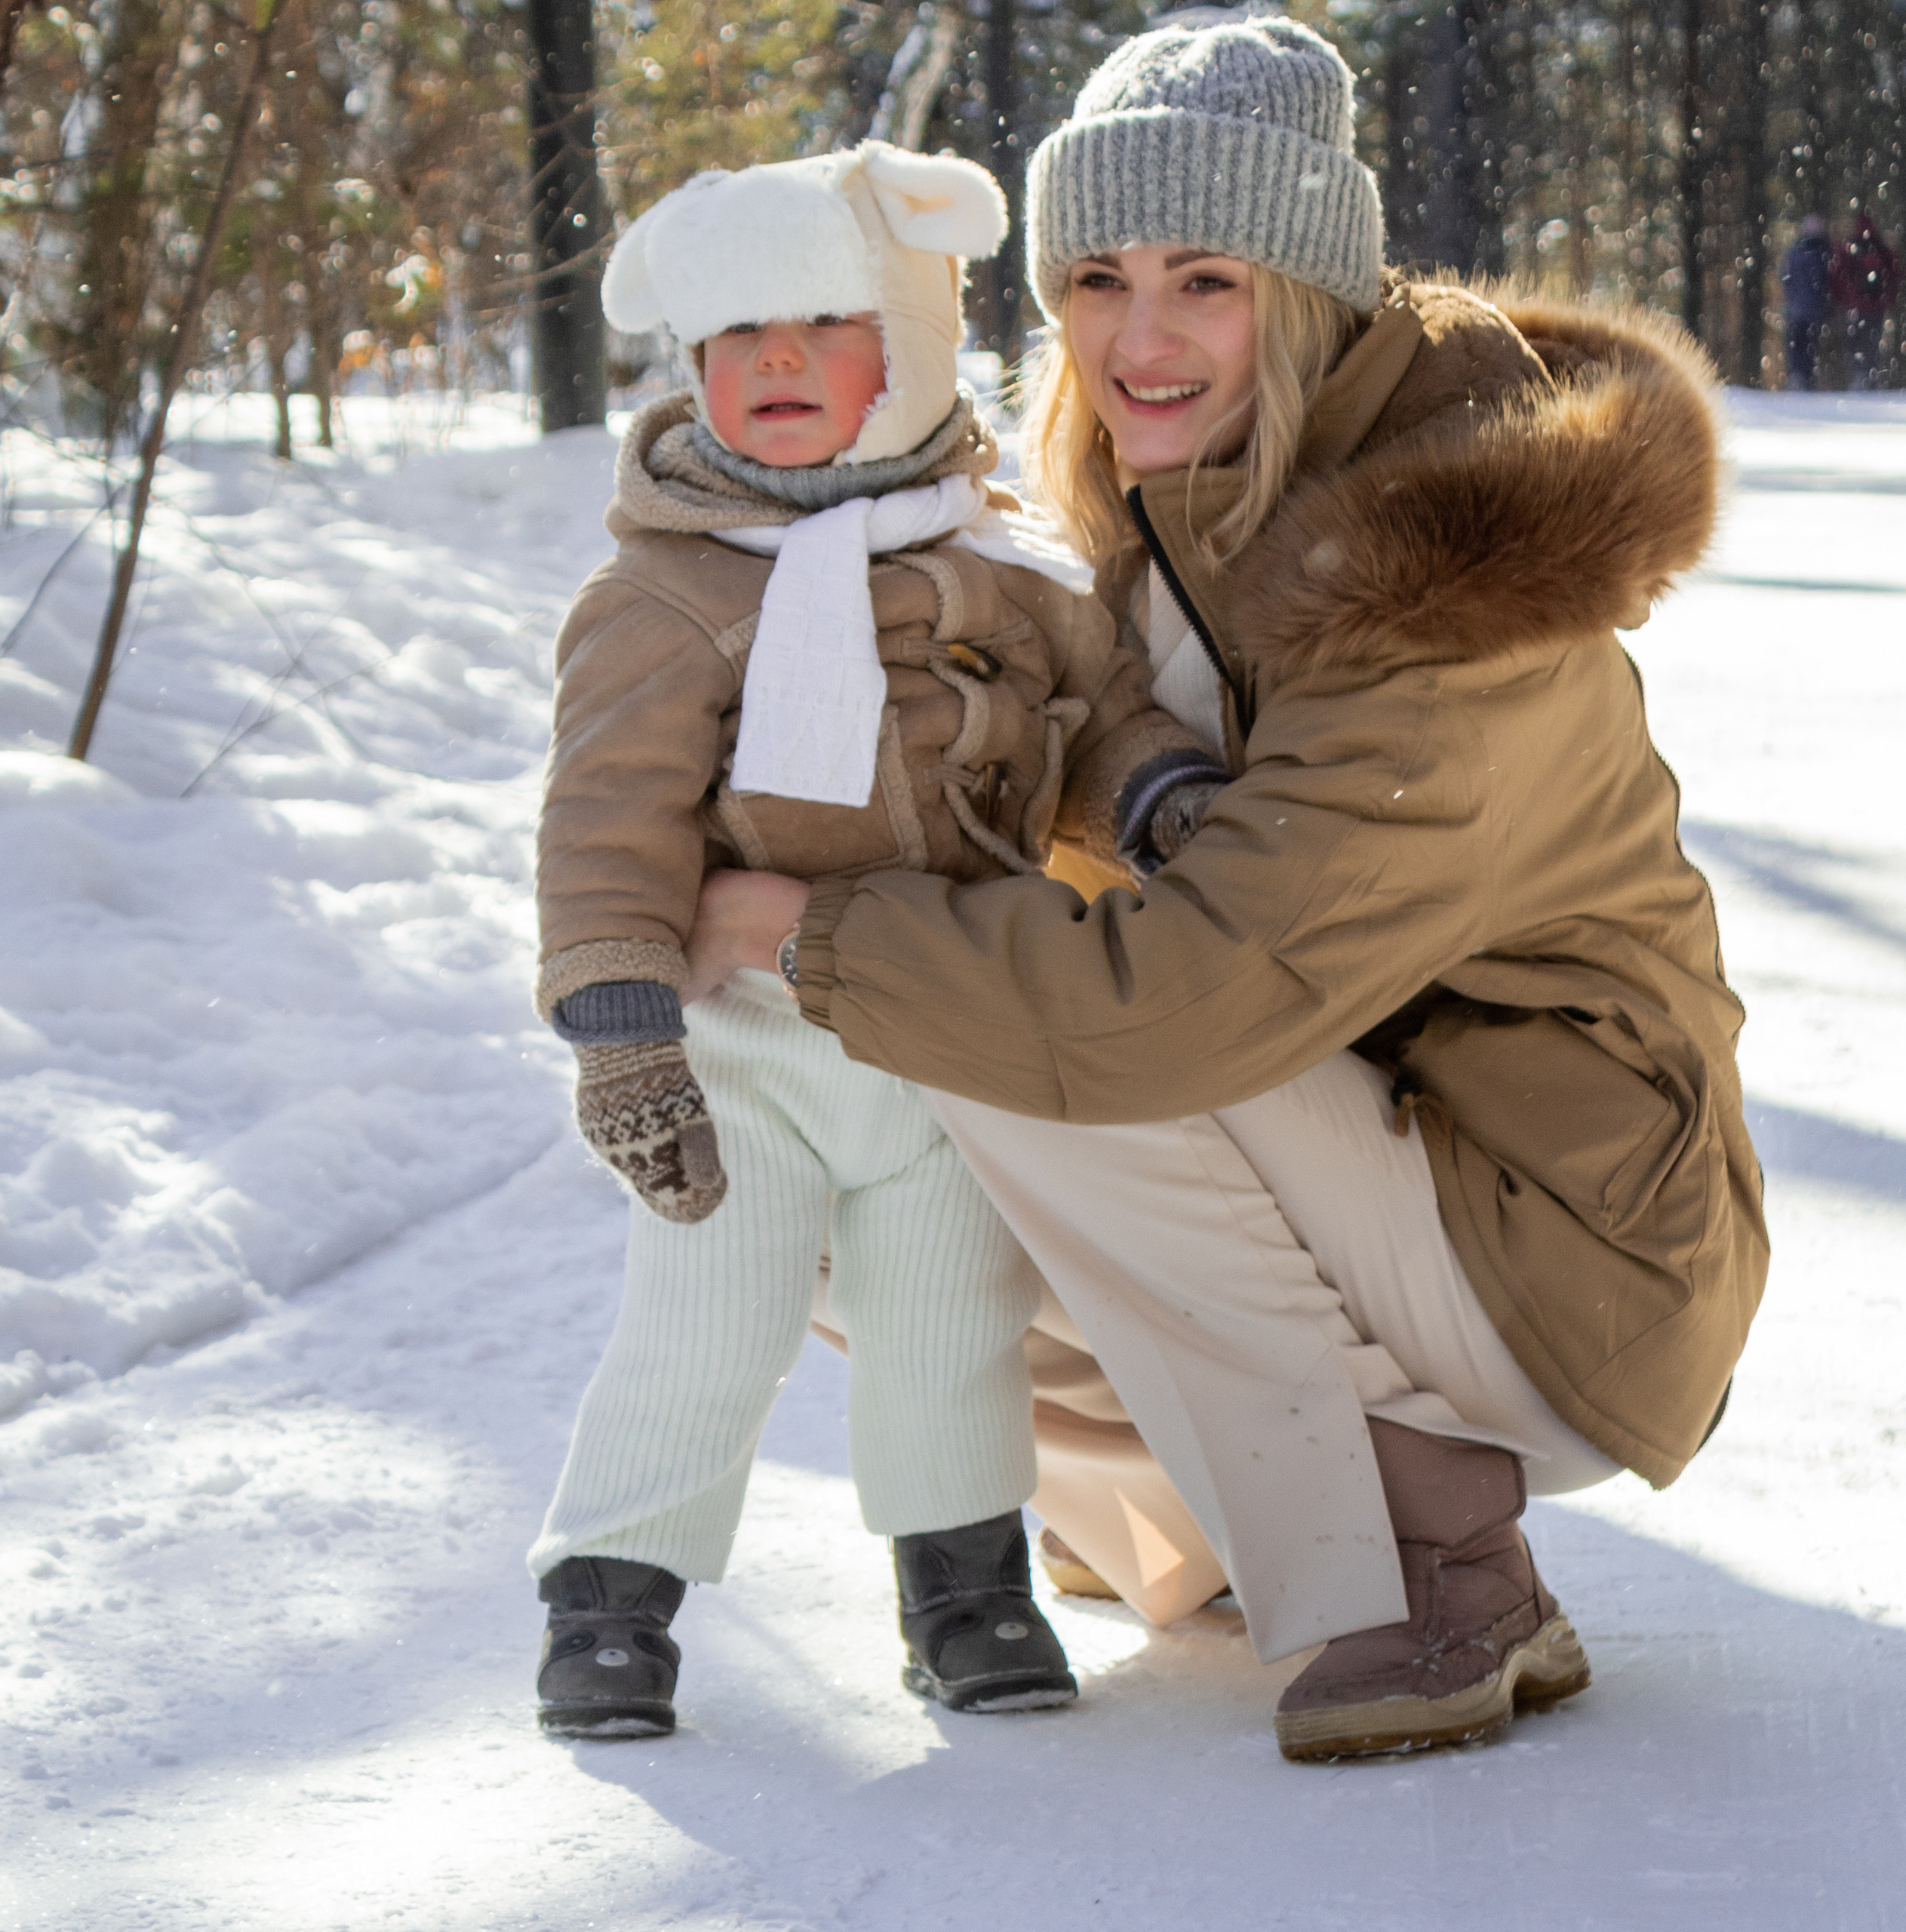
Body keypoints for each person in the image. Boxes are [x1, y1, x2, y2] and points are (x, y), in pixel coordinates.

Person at [686, 12, 1769, 1764]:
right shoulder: (1181, 532)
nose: (1137, 337)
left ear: (1306, 290)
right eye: (1096, 279)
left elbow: (1178, 1004)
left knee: (990, 1027)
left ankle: (1437, 1546)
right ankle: (1195, 1516)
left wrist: (813, 931)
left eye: (1203, 277)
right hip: (1401, 1172)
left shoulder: (1441, 583)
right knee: (804, 1137)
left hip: (1570, 1261)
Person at [525, 144, 1219, 1737]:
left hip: (942, 1023)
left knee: (946, 1322)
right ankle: (608, 1595)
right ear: (691, 368)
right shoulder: (664, 593)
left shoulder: (998, 572)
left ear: (906, 346)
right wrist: (620, 1020)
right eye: (733, 336)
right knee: (704, 1320)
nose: (771, 360)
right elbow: (604, 815)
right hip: (741, 1035)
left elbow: (1095, 720)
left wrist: (1159, 795)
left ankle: (963, 1585)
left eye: (824, 323)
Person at [1831, 211, 1901, 391]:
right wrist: (1888, 298)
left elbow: (1836, 274)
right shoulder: (1880, 247)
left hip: (1854, 306)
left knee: (1854, 343)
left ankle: (1858, 376)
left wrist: (1843, 299)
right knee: (1872, 343)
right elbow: (1895, 274)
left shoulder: (1849, 247)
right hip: (1876, 307)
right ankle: (1870, 376)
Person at [1782, 214, 1834, 389]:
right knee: (1809, 348)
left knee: (1796, 347)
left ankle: (1797, 379)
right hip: (1813, 311)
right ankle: (1806, 381)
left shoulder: (1794, 252)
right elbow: (1826, 282)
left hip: (1794, 310)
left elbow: (1785, 277)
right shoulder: (1821, 254)